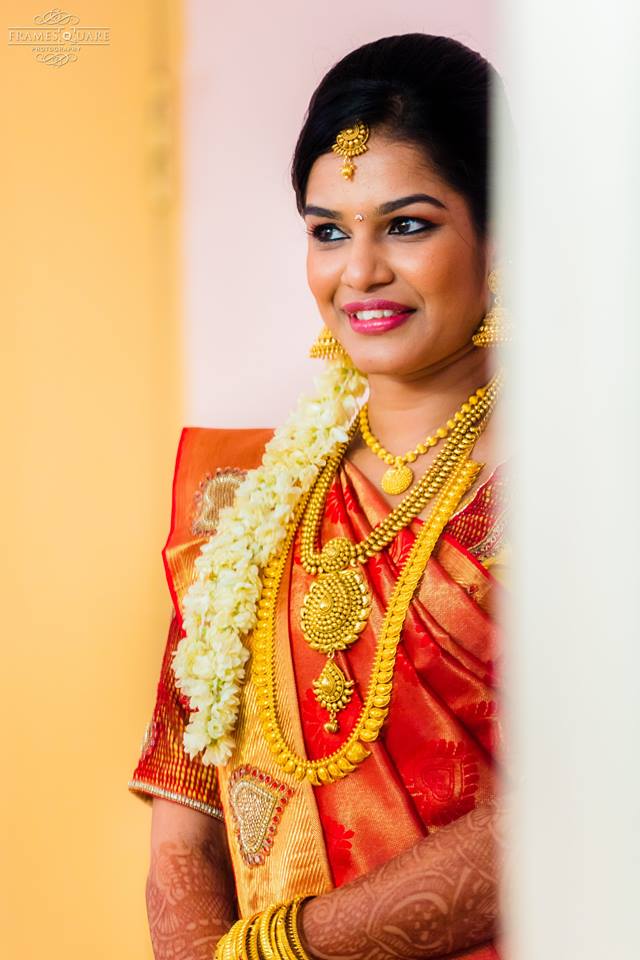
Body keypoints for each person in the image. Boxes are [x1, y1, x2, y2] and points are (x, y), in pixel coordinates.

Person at [129, 32, 513, 960]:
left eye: (408, 224)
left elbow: (587, 800)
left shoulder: (585, 490)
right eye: (329, 230)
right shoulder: (243, 501)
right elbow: (185, 819)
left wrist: (280, 952)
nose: (360, 272)